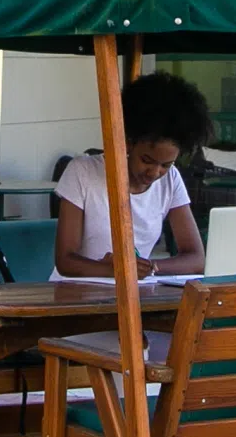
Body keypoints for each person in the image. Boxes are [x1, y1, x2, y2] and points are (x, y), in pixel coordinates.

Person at [53, 71, 211, 281]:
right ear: (127, 142)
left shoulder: (171, 179)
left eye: (166, 164)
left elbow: (196, 259)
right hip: (72, 295)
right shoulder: (82, 172)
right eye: (147, 160)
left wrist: (150, 267)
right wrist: (118, 269)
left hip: (134, 294)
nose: (155, 173)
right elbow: (65, 261)